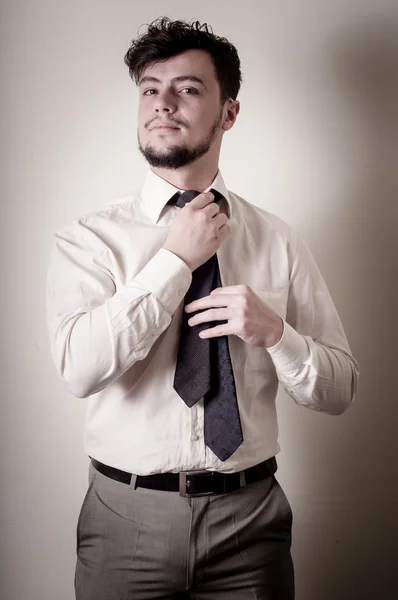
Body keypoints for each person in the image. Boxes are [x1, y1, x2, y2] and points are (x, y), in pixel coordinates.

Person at [46, 17, 359, 600]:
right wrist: (174, 264)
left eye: (187, 88)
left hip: (251, 525)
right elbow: (78, 369)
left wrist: (277, 334)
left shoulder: (278, 239)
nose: (162, 103)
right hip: (124, 524)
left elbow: (340, 390)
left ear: (229, 113)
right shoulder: (87, 240)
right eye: (149, 88)